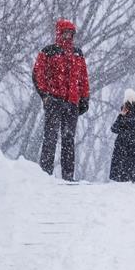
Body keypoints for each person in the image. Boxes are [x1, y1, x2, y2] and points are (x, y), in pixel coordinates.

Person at [32, 18, 90, 181]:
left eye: (70, 33)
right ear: (59, 33)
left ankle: (68, 175)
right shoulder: (48, 51)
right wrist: (45, 95)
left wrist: (84, 98)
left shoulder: (78, 54)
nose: (68, 36)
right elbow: (38, 74)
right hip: (54, 101)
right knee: (50, 138)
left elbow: (83, 78)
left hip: (72, 102)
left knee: (68, 139)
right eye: (65, 33)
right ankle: (45, 173)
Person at [109, 88, 135, 182]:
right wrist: (121, 116)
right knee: (121, 178)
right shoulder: (122, 116)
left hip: (134, 147)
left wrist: (126, 121)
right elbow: (114, 128)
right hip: (122, 147)